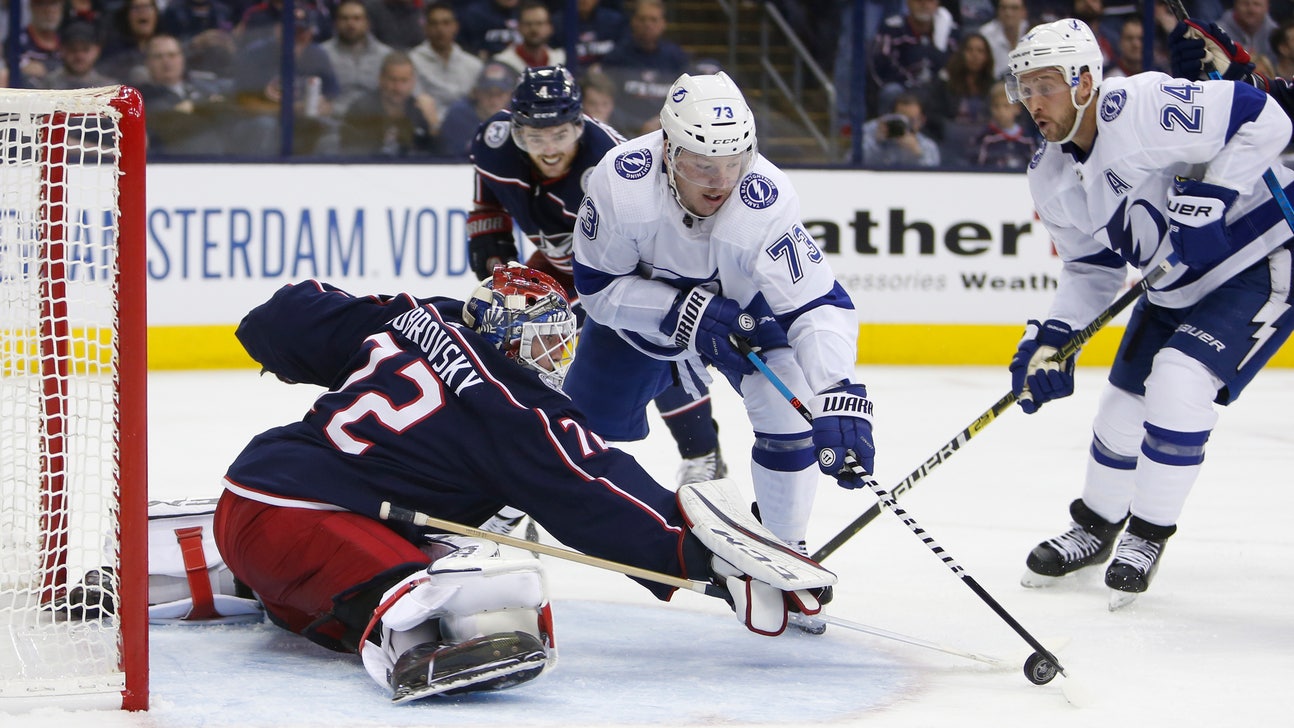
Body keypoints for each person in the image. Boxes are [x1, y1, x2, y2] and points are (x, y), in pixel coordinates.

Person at [214, 264, 832, 702]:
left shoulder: (418, 317)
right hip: (299, 517)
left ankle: (222, 572)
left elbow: (279, 321)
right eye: (543, 341)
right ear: (508, 333)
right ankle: (401, 623)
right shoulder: (516, 410)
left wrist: (374, 315)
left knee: (443, 547)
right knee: (475, 605)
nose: (554, 358)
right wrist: (707, 564)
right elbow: (593, 488)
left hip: (254, 496)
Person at [1004, 18, 1294, 608]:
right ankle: (1095, 525)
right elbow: (1091, 271)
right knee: (1119, 412)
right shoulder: (1050, 175)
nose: (1033, 102)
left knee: (1180, 384)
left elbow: (1270, 119)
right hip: (1175, 285)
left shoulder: (1141, 107)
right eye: (1024, 89)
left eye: (1046, 85)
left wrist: (1216, 195)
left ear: (1085, 81)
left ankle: (1147, 535)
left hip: (1260, 259)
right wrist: (1054, 338)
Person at [565, 71, 872, 627]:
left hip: (749, 318)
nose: (720, 181)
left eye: (733, 162)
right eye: (702, 164)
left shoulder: (764, 199)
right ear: (666, 149)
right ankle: (505, 499)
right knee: (580, 426)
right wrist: (690, 312)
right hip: (643, 325)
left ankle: (785, 557)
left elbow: (816, 304)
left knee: (790, 417)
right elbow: (597, 288)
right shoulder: (621, 182)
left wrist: (837, 393)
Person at [466, 65, 729, 535]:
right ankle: (516, 491)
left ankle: (701, 454)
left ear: (580, 125)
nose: (548, 149)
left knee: (650, 351)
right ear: (516, 127)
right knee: (506, 349)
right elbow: (487, 201)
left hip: (621, 273)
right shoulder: (494, 141)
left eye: (560, 134)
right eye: (534, 137)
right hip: (556, 265)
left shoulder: (609, 160)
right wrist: (495, 252)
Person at [338, 50, 437, 156]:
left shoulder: (419, 110)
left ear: (412, 82)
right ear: (381, 79)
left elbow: (438, 155)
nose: (398, 88)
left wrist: (433, 124)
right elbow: (350, 153)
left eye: (404, 81)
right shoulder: (361, 110)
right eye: (393, 80)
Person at [409, 1, 484, 120]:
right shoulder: (412, 62)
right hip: (427, 127)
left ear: (456, 26)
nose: (440, 29)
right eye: (434, 23)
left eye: (446, 23)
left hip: (466, 128)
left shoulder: (474, 65)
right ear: (425, 28)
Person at [321, 0, 393, 117]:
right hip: (333, 123)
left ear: (367, 23)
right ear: (336, 23)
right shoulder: (322, 54)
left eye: (357, 18)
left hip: (375, 122)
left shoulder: (386, 55)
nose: (350, 23)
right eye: (345, 18)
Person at [861, 92, 941, 167]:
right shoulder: (870, 131)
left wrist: (917, 153)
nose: (906, 126)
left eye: (911, 121)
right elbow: (853, 163)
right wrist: (877, 143)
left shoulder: (928, 147)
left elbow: (933, 176)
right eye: (902, 120)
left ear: (922, 120)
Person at [491, 0, 564, 74]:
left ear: (550, 27)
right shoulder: (504, 61)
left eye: (539, 23)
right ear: (519, 27)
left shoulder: (561, 60)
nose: (534, 29)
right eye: (528, 24)